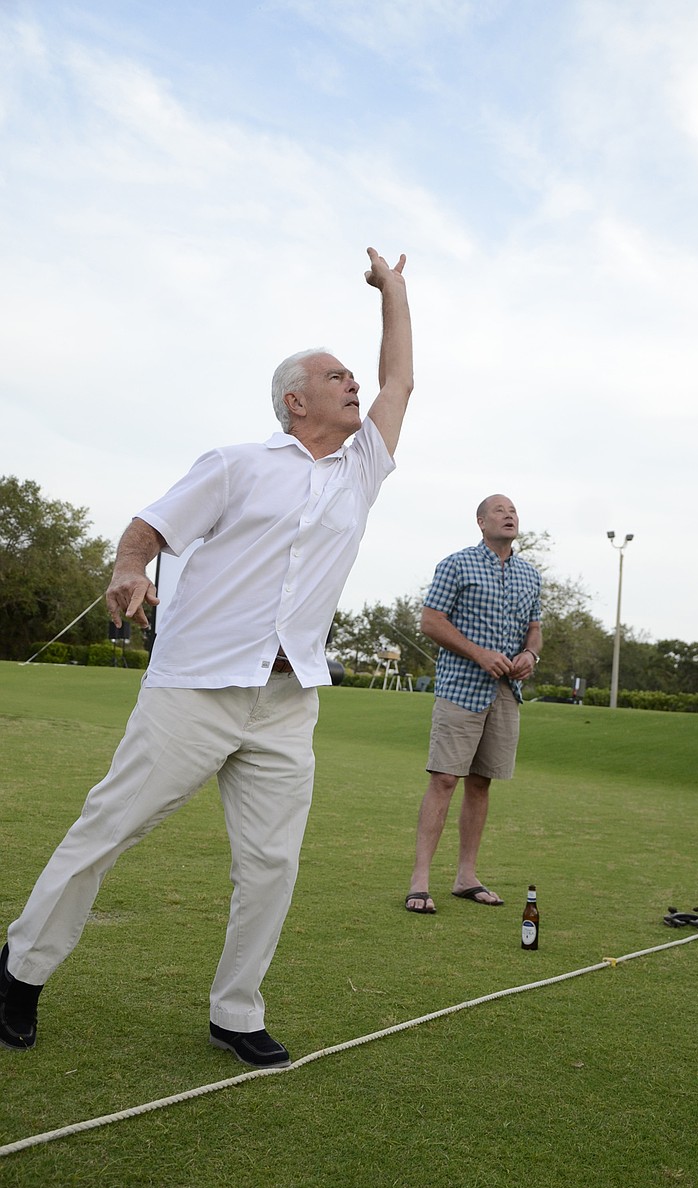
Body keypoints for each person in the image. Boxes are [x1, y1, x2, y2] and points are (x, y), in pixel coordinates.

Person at [1, 247, 413, 1066]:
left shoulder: (361, 469)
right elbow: (149, 527)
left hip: (289, 703)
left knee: (271, 864)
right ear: (296, 400)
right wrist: (128, 567)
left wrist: (393, 292)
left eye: (351, 378)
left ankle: (236, 1009)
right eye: (336, 378)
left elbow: (399, 382)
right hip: (194, 692)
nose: (353, 385)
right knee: (108, 829)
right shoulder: (235, 463)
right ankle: (19, 972)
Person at [406, 495, 542, 914]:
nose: (509, 515)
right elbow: (431, 621)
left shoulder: (529, 575)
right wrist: (480, 653)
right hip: (461, 687)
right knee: (445, 779)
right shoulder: (456, 564)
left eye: (513, 511)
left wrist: (530, 656)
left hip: (506, 693)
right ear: (481, 522)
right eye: (499, 511)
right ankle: (420, 882)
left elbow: (535, 629)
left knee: (481, 783)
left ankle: (466, 877)